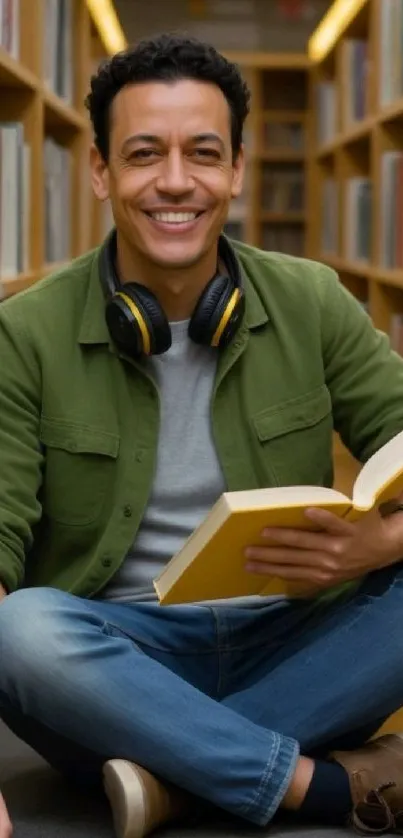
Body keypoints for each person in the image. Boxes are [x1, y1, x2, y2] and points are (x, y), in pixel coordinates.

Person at [1, 31, 403, 838]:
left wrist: (374, 549)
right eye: (145, 154)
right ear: (101, 172)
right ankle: (313, 787)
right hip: (115, 657)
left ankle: (173, 775)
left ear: (238, 169)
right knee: (22, 630)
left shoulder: (313, 301)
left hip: (289, 638)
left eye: (204, 153)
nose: (176, 183)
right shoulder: (24, 333)